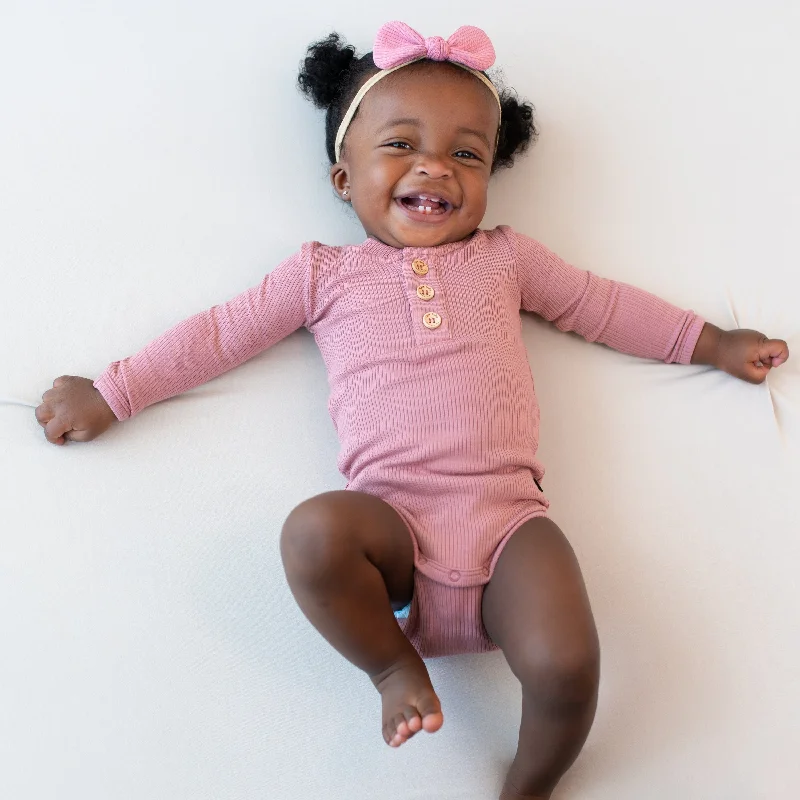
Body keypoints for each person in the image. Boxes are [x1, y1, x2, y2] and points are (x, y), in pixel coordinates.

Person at [35, 21, 790, 800]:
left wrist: (713, 343)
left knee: (568, 662)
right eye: (401, 144)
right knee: (314, 533)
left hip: (509, 532)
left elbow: (602, 305)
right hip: (393, 532)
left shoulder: (507, 258)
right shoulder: (319, 276)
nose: (435, 165)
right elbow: (217, 336)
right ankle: (394, 666)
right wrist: (113, 391)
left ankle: (531, 782)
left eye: (467, 154)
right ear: (342, 179)